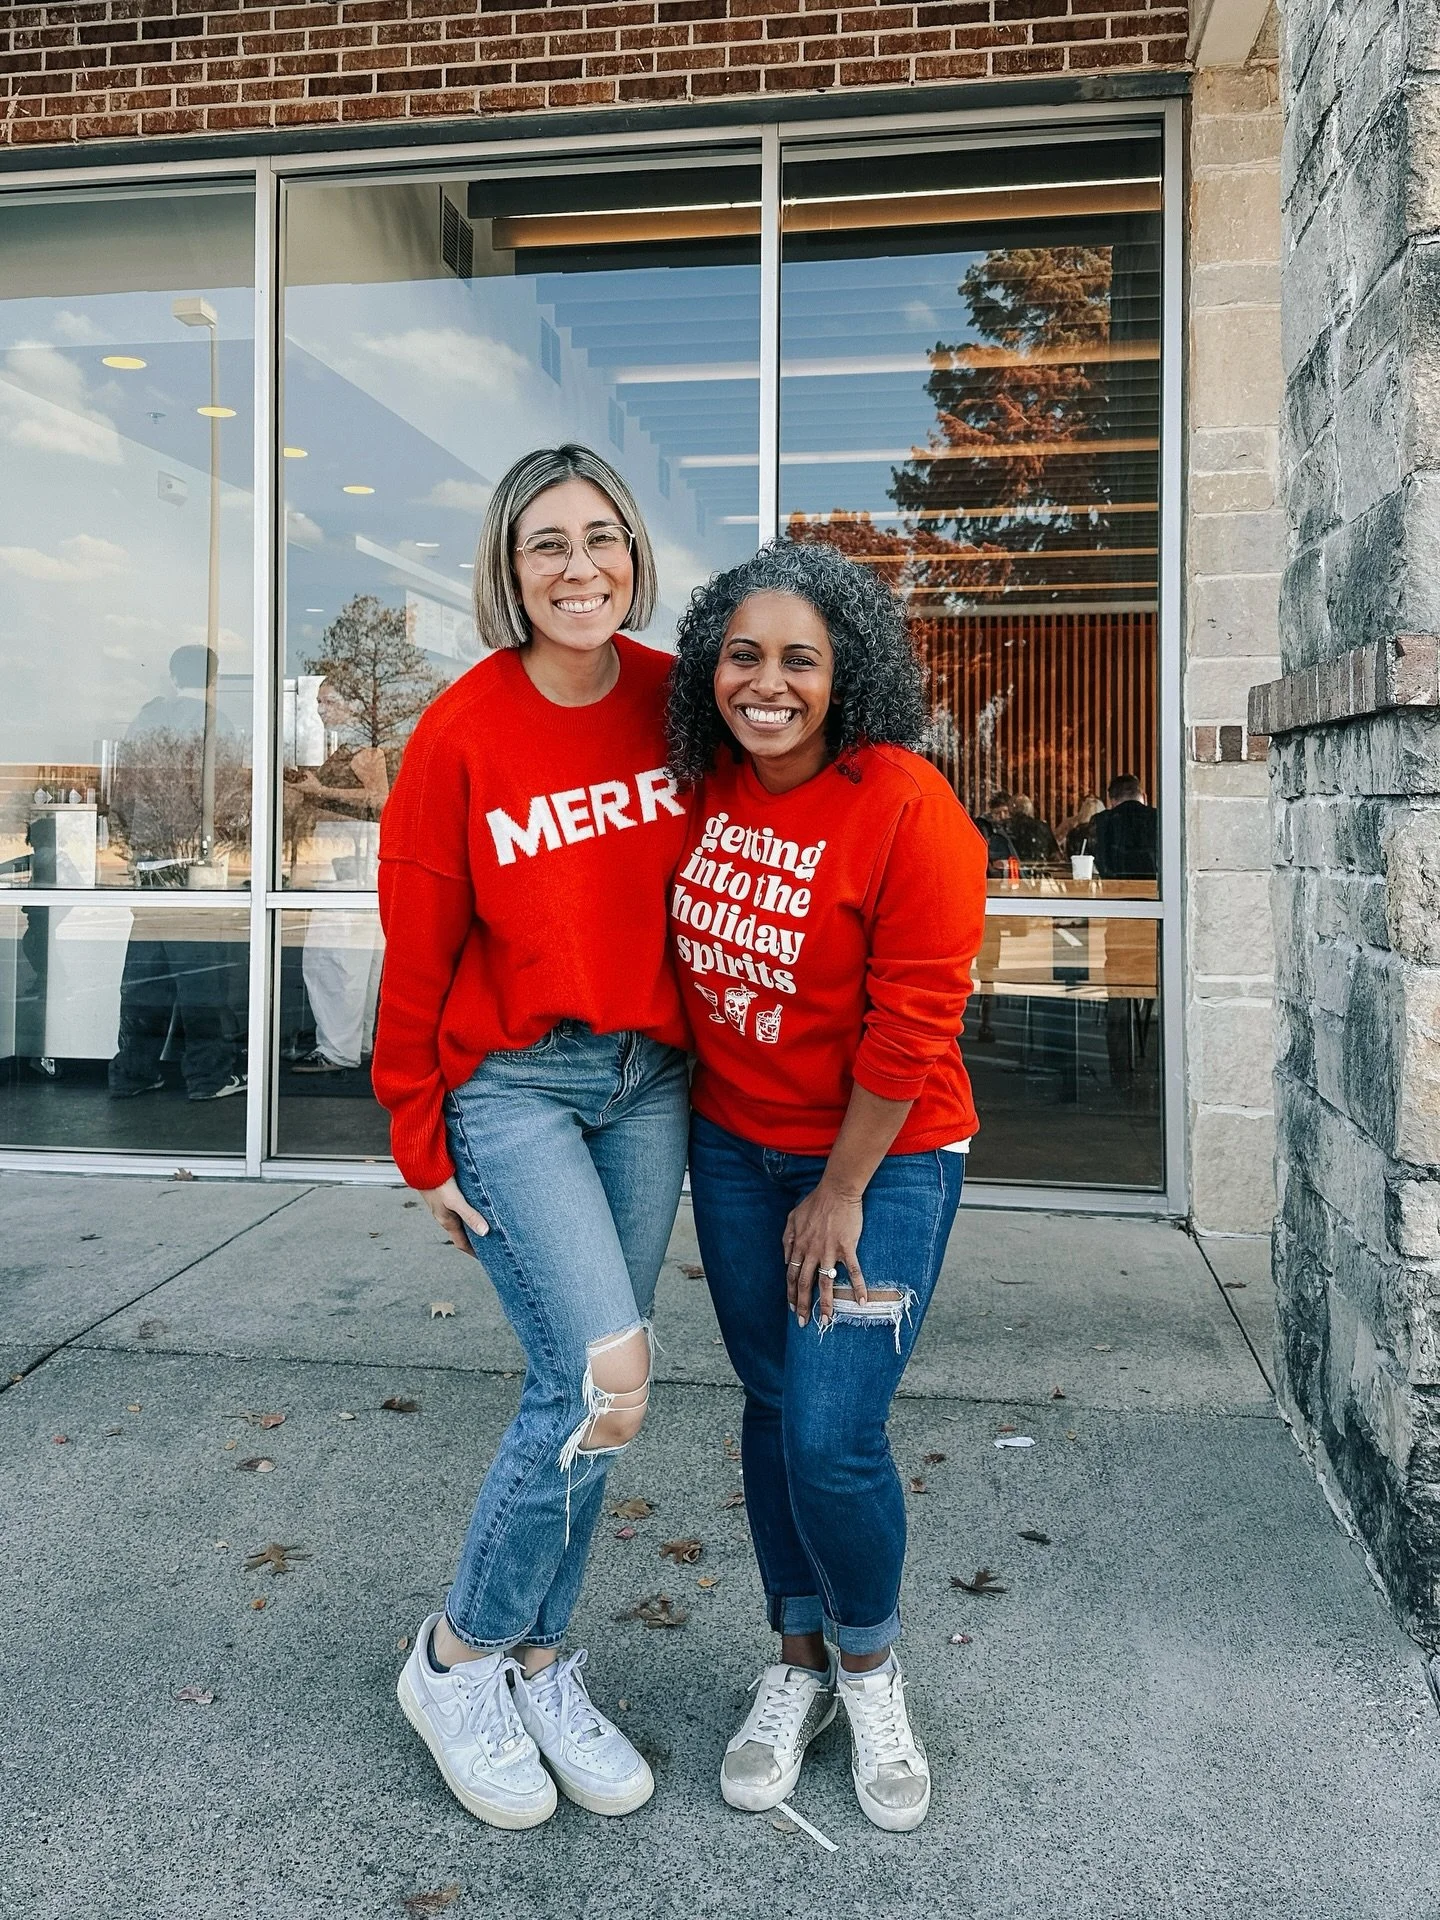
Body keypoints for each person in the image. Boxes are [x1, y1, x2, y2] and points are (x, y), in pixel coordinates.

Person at [371, 445, 691, 1831]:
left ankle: (542, 1663)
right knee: (598, 1376)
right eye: (547, 543)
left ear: (634, 554)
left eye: (601, 537)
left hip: (651, 1083)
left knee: (609, 1395)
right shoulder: (463, 732)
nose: (579, 567)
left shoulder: (678, 702)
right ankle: (458, 1659)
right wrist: (419, 1139)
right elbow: (415, 952)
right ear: (509, 567)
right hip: (516, 1086)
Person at [665, 539, 987, 1833]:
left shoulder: (905, 802)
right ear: (711, 669)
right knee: (768, 1404)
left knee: (832, 1435)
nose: (769, 683)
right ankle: (795, 1661)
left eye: (800, 659)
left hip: (883, 1161)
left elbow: (915, 1022)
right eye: (743, 655)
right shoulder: (704, 789)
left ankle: (870, 1667)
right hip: (735, 1150)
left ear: (847, 675)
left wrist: (841, 1188)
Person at [286, 678, 391, 1075]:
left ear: (353, 704)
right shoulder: (354, 746)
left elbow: (380, 800)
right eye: (318, 702)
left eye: (329, 701)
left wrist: (321, 791)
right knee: (358, 957)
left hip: (353, 857)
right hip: (354, 857)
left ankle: (336, 1048)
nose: (321, 709)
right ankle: (354, 1042)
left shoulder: (366, 749)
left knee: (335, 955)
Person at [1092, 772, 1157, 882]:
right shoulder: (1160, 818)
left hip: (1113, 890)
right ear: (1144, 796)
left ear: (1112, 801)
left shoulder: (1101, 821)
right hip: (1157, 890)